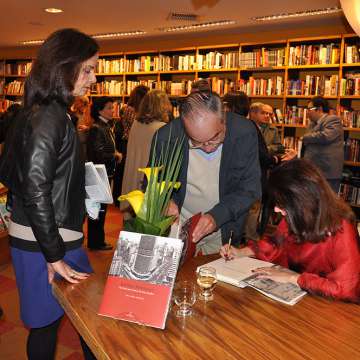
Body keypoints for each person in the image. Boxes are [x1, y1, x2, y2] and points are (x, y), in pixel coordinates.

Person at [0, 28, 98, 359]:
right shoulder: (49, 116)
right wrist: (53, 255)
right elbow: (35, 187)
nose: (93, 78)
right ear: (64, 67)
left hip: (45, 237)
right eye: (88, 69)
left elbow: (15, 175)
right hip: (48, 241)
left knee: (64, 320)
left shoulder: (37, 111)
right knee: (57, 323)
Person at [221, 159, 360, 303]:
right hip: (300, 295)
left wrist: (295, 278)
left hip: (330, 307)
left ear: (301, 201)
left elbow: (345, 289)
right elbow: (275, 242)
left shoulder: (342, 228)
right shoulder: (299, 215)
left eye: (281, 204)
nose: (275, 209)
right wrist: (240, 252)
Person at [151, 91, 261, 254]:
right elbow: (152, 182)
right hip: (179, 228)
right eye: (197, 142)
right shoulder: (167, 137)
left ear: (224, 119)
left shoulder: (244, 133)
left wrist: (216, 217)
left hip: (223, 226)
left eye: (215, 137)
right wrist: (165, 200)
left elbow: (250, 189)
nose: (208, 148)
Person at [121, 90, 171, 204]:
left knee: (132, 214)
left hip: (133, 175)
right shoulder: (163, 128)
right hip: (148, 179)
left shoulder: (136, 124)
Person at [87, 96, 122, 251]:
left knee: (101, 210)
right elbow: (98, 154)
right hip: (98, 175)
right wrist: (115, 155)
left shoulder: (105, 126)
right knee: (97, 210)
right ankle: (96, 242)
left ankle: (97, 240)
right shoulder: (97, 128)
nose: (112, 110)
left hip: (103, 174)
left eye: (112, 107)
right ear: (100, 110)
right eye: (109, 107)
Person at [113, 85, 149, 206]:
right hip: (127, 143)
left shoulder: (135, 110)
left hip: (131, 142)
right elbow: (135, 126)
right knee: (127, 171)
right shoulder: (130, 110)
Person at [303, 96, 344, 193]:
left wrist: (306, 137)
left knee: (329, 203)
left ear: (319, 109)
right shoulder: (311, 124)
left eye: (309, 109)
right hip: (313, 171)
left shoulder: (333, 120)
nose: (307, 112)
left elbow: (326, 136)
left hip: (328, 172)